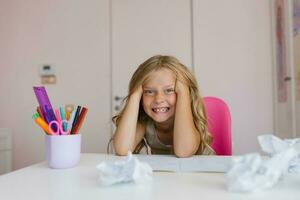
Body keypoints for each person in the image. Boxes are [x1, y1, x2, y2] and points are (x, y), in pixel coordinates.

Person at [112, 55, 214, 157]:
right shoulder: (144, 122)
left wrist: (184, 91)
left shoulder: (192, 119)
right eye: (149, 91)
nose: (158, 99)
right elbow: (122, 149)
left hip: (206, 172)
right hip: (169, 173)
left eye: (169, 90)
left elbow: (183, 152)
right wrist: (134, 94)